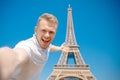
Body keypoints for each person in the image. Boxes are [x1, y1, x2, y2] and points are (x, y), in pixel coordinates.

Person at [0, 13, 69, 80]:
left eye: (51, 32)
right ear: (36, 30)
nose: (47, 35)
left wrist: (60, 48)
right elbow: (16, 56)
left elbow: (50, 48)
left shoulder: (46, 45)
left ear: (55, 33)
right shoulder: (27, 46)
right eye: (43, 30)